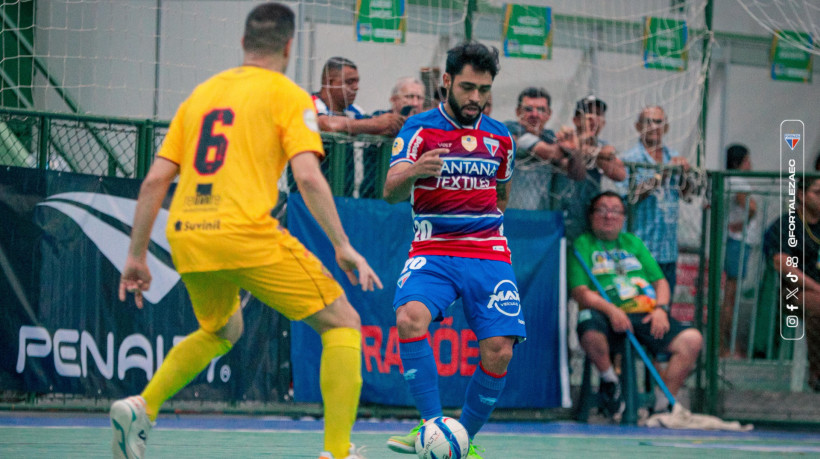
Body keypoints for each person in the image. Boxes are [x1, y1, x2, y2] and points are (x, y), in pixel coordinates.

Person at [110, 4, 382, 459]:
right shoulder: (290, 96)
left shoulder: (201, 95)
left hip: (187, 231)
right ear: (290, 46)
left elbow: (156, 180)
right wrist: (342, 244)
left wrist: (136, 255)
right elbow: (310, 177)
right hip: (244, 232)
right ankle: (337, 452)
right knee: (343, 323)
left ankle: (142, 406)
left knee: (221, 330)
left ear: (242, 43)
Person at [382, 41, 523, 459]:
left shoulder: (501, 138)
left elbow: (502, 195)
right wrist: (416, 170)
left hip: (487, 251)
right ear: (446, 82)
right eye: (466, 87)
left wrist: (484, 230)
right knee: (409, 318)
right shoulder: (419, 128)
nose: (475, 98)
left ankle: (462, 439)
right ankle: (430, 426)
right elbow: (390, 191)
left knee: (500, 349)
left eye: (483, 89)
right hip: (433, 248)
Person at [569, 191, 703, 417]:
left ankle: (662, 405)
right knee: (588, 330)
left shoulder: (633, 243)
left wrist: (661, 309)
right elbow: (580, 292)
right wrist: (611, 310)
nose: (609, 216)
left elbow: (660, 281)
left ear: (623, 217)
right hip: (604, 313)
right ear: (591, 215)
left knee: (692, 340)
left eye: (615, 211)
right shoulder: (582, 245)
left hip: (645, 313)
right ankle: (610, 383)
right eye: (602, 210)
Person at [618, 106, 691, 297]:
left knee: (663, 313)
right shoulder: (628, 158)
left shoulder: (673, 156)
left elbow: (686, 195)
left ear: (666, 127)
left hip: (667, 252)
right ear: (637, 126)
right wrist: (662, 174)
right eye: (647, 121)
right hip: (638, 251)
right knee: (638, 310)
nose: (653, 126)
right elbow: (630, 197)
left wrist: (685, 175)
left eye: (658, 121)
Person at [763, 177, 820, 392]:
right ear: (802, 195)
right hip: (793, 292)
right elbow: (782, 264)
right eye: (818, 192)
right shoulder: (787, 224)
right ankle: (817, 374)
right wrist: (815, 287)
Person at [553, 95, 626, 241]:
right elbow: (563, 160)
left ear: (603, 122)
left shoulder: (603, 145)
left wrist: (588, 151)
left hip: (590, 216)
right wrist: (588, 149)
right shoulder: (564, 138)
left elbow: (620, 174)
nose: (593, 118)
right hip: (560, 214)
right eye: (588, 113)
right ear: (576, 120)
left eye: (598, 114)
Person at [504, 87, 583, 210]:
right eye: (528, 109)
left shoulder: (549, 137)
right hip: (508, 215)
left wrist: (575, 150)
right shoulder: (509, 129)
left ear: (549, 114)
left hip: (542, 217)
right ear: (518, 112)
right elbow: (548, 152)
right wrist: (564, 148)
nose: (534, 114)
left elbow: (577, 174)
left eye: (541, 109)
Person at [720, 144, 761, 358]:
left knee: (730, 295)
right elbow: (750, 207)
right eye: (747, 160)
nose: (750, 164)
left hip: (736, 241)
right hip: (737, 241)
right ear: (739, 163)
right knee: (730, 296)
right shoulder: (737, 181)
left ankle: (726, 345)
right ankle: (724, 346)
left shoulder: (730, 179)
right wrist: (746, 221)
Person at [313, 56, 405, 136]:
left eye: (357, 82)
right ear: (330, 83)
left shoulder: (355, 110)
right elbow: (328, 124)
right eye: (349, 82)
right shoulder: (309, 103)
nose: (356, 88)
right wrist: (376, 123)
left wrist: (391, 123)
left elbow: (371, 126)